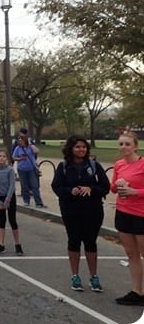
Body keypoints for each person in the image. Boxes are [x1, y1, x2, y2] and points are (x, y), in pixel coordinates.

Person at [51, 135, 109, 293]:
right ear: (71, 148)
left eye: (84, 147)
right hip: (71, 210)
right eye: (77, 147)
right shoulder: (63, 167)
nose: (81, 149)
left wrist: (92, 189)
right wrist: (70, 190)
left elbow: (105, 186)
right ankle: (75, 275)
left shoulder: (94, 166)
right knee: (74, 241)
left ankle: (94, 276)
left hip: (93, 209)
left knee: (91, 242)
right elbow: (56, 187)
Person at [110, 131, 144, 305]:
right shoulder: (118, 165)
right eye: (121, 144)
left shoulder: (143, 164)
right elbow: (113, 189)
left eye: (127, 144)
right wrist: (117, 185)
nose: (123, 147)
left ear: (135, 146)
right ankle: (137, 291)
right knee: (131, 254)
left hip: (141, 214)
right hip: (123, 212)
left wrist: (135, 192)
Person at [0, 149, 23, 255]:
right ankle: (1, 244)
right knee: (1, 221)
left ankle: (17, 244)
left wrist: (7, 200)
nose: (2, 158)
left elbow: (12, 185)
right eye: (0, 156)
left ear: (7, 159)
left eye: (4, 156)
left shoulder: (9, 170)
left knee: (12, 220)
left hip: (9, 197)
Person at [12, 134, 46, 208]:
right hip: (22, 169)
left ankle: (38, 202)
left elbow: (37, 151)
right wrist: (20, 158)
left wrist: (30, 145)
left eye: (21, 140)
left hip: (31, 169)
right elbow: (14, 157)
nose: (20, 142)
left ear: (25, 140)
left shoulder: (30, 147)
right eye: (19, 140)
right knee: (24, 186)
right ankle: (26, 201)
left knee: (34, 186)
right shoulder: (17, 148)